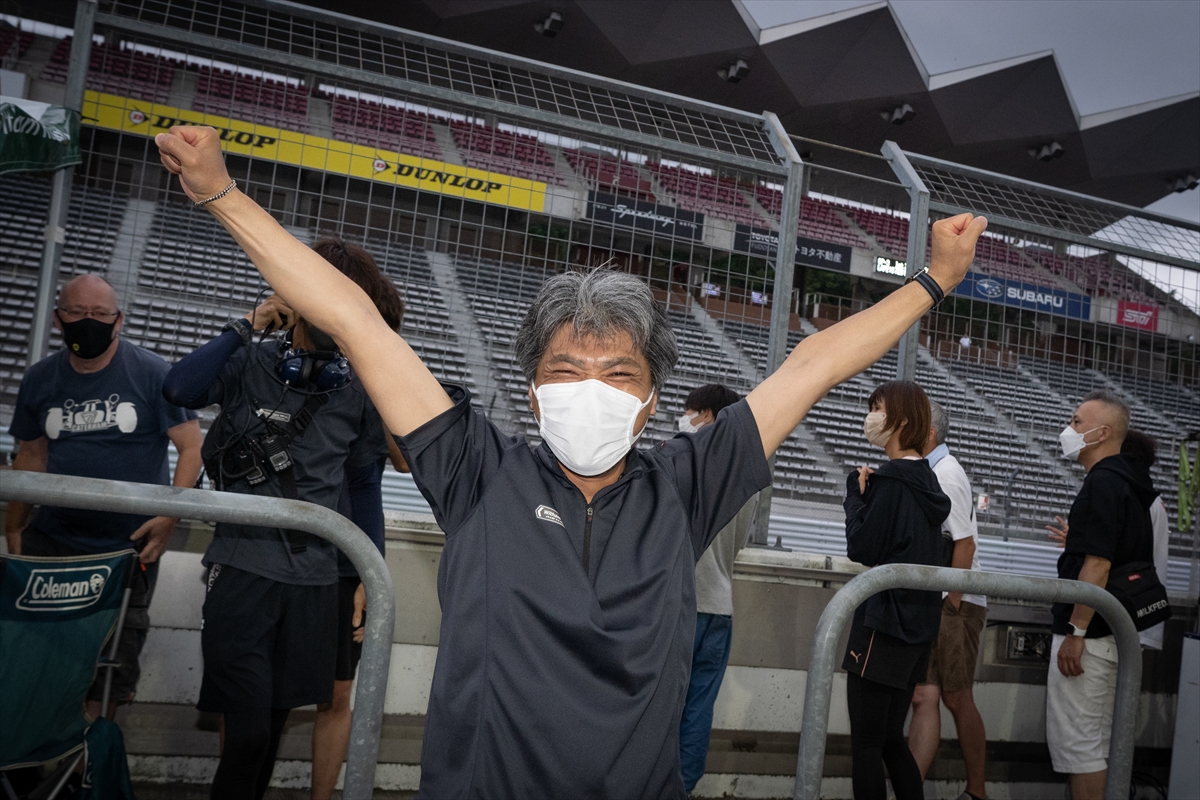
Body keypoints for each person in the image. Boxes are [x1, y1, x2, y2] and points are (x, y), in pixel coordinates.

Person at [153, 124, 987, 798]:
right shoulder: (476, 470)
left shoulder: (688, 484)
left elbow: (811, 365)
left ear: (651, 400)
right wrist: (222, 193)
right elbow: (354, 319)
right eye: (566, 370)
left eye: (618, 373)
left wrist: (934, 280)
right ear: (531, 392)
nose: (592, 389)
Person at [160, 237, 400, 800]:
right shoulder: (250, 361)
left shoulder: (358, 387)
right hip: (241, 567)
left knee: (268, 730)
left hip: (314, 580)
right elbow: (178, 387)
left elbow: (365, 483)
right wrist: (248, 324)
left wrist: (367, 573)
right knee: (246, 730)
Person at [6, 274, 203, 717]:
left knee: (110, 668)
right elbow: (31, 454)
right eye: (77, 312)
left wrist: (168, 517)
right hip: (53, 542)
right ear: (58, 319)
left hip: (125, 546)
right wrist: (14, 526)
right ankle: (39, 752)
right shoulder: (40, 379)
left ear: (119, 320)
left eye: (99, 313)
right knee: (35, 658)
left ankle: (90, 759)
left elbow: (191, 447)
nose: (88, 321)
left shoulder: (152, 372)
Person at [1042, 390, 1155, 800]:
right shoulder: (1130, 483)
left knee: (1081, 751)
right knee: (1101, 747)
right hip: (1113, 636)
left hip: (1091, 639)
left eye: (1076, 422)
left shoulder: (1104, 482)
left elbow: (1098, 566)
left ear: (1102, 433)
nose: (1068, 429)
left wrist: (1076, 631)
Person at [841, 381, 950, 800]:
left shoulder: (892, 479)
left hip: (883, 622)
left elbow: (863, 547)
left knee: (867, 744)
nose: (871, 417)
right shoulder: (927, 480)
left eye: (878, 409)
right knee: (891, 739)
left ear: (901, 421)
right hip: (918, 625)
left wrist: (854, 497)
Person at [676, 384, 759, 793]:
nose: (684, 418)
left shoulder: (685, 464)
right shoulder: (749, 475)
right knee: (698, 707)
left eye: (689, 411)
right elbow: (738, 542)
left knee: (660, 705)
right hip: (720, 607)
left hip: (680, 604)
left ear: (708, 415)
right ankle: (684, 787)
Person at [908, 401, 988, 800]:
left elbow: (964, 543)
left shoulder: (946, 473)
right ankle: (911, 789)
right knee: (924, 695)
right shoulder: (932, 470)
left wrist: (952, 601)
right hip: (939, 598)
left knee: (956, 696)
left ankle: (977, 790)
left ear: (930, 433)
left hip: (954, 600)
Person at [1047, 429, 1169, 652]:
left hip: (1117, 613)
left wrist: (1076, 631)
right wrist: (1083, 540)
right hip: (1134, 608)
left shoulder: (1124, 491)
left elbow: (1104, 560)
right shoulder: (1142, 494)